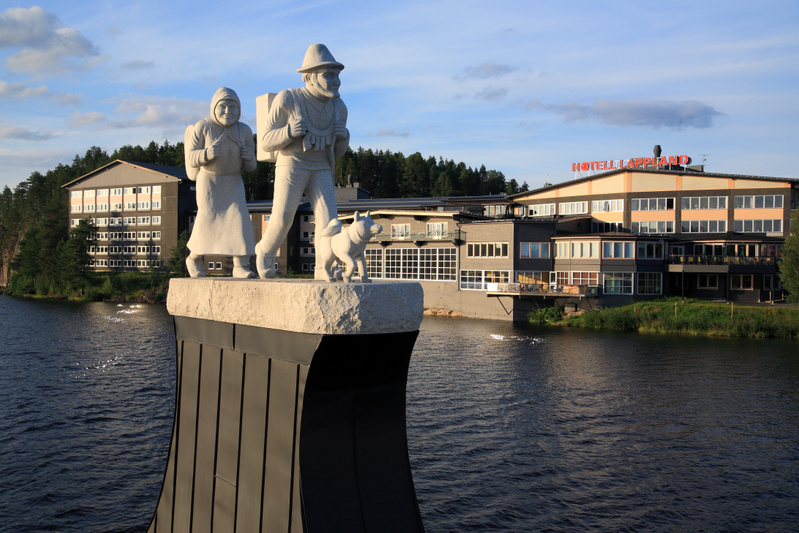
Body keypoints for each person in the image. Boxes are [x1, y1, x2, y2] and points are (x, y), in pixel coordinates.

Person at [255, 44, 349, 280]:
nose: (336, 80)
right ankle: (264, 252)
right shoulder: (289, 99)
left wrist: (344, 136)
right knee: (283, 217)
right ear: (309, 77)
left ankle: (323, 267)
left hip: (322, 167)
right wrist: (288, 131)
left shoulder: (339, 107)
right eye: (329, 74)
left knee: (330, 221)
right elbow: (266, 141)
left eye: (337, 74)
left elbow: (337, 152)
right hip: (292, 164)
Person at [184, 87, 257, 278]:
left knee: (239, 219)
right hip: (210, 180)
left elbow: (251, 167)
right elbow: (191, 158)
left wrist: (249, 157)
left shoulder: (245, 130)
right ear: (214, 108)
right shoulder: (203, 127)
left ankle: (240, 265)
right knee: (208, 218)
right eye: (222, 107)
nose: (228, 112)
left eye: (233, 107)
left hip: (233, 181)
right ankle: (194, 258)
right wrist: (205, 154)